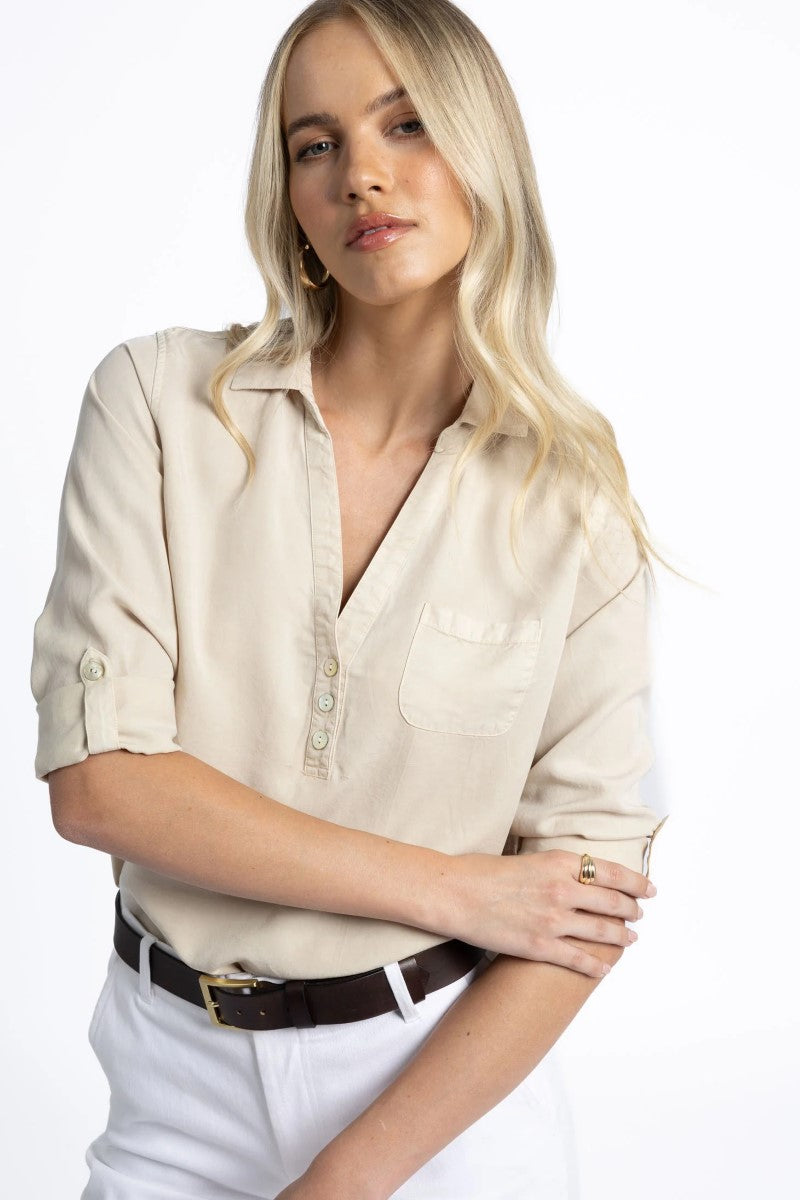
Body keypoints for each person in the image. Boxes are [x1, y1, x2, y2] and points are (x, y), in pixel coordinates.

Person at [30, 2, 674, 1197]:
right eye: (313, 144)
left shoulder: (570, 498)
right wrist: (456, 886)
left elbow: (580, 902)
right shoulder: (161, 406)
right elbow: (102, 781)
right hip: (172, 1084)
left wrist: (345, 1179)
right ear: (285, 192)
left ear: (487, 150)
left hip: (444, 1108)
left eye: (408, 124)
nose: (361, 176)